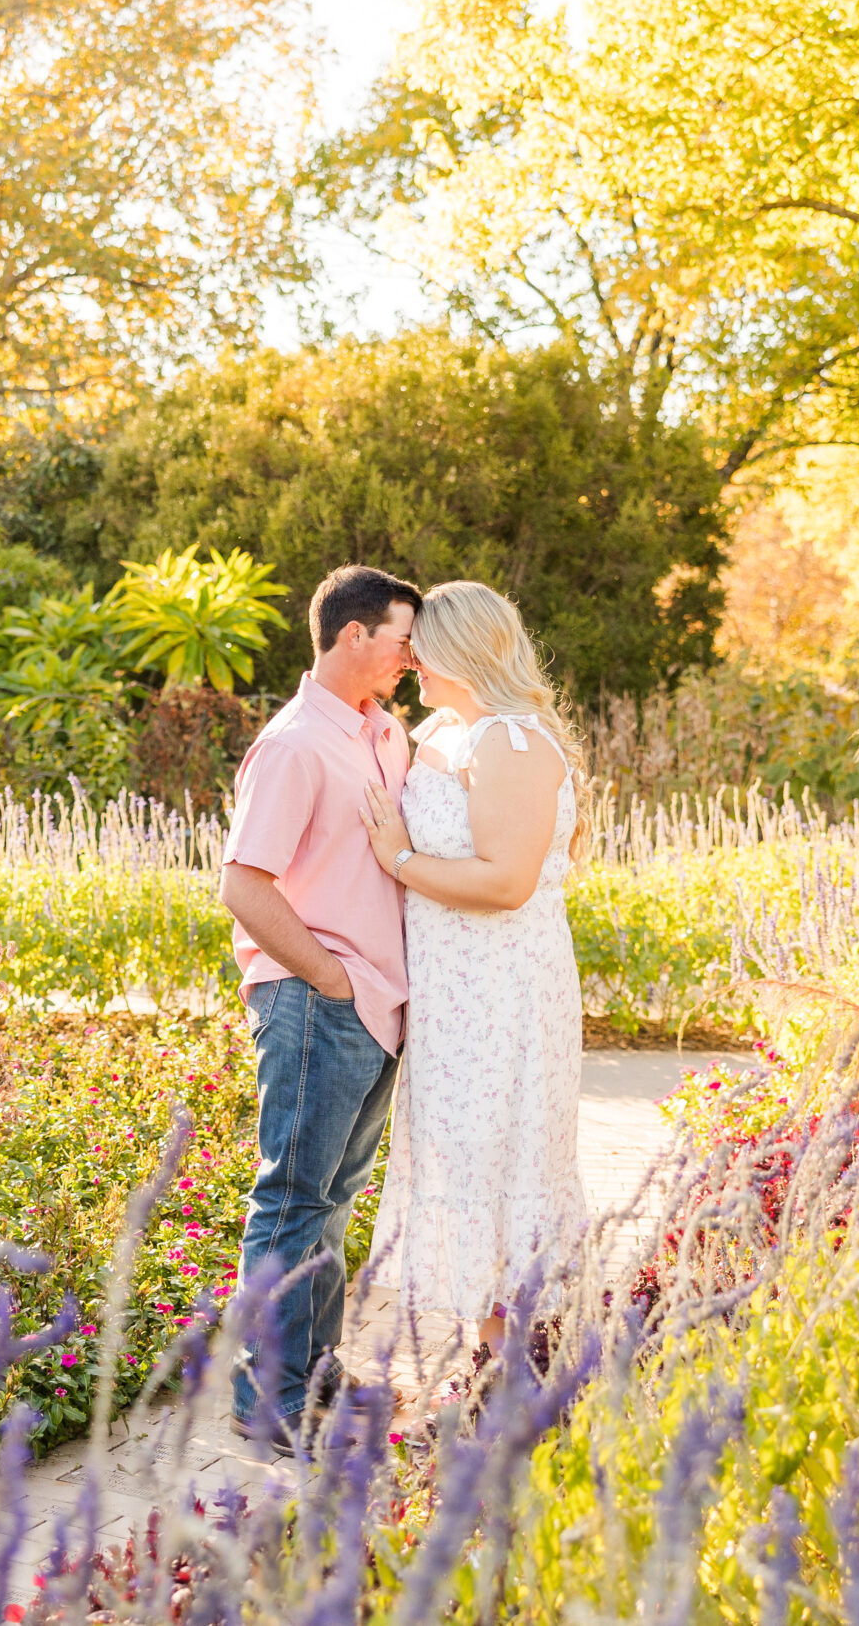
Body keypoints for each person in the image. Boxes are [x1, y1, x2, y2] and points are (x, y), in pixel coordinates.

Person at [359, 579, 591, 1364]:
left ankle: (516, 1367)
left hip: (503, 989)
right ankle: (493, 1361)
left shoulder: (510, 743)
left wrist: (398, 859)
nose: (413, 662)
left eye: (423, 650)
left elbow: (506, 881)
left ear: (462, 651)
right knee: (465, 1153)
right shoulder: (448, 733)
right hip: (455, 993)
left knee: (503, 1153)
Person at [218, 564, 421, 1446]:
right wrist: (330, 976)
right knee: (294, 1200)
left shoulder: (385, 734)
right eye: (402, 639)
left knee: (333, 1201)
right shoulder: (295, 744)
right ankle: (267, 1399)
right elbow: (242, 884)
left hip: (375, 1005)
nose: (412, 658)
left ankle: (314, 1370)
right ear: (352, 634)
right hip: (317, 1000)